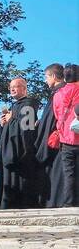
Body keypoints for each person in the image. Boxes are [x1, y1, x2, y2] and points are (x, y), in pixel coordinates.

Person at [0, 77, 43, 209]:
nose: (12, 89)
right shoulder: (14, 107)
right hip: (8, 155)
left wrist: (13, 119)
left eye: (16, 86)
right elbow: (12, 129)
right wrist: (3, 124)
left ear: (24, 88)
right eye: (11, 87)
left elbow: (27, 131)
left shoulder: (29, 105)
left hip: (21, 157)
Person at [35, 63, 67, 208]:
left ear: (54, 76)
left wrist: (39, 128)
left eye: (47, 77)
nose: (46, 80)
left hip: (57, 144)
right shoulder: (71, 91)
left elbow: (50, 121)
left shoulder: (58, 94)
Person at [47, 65, 79, 207]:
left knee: (69, 173)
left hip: (66, 138)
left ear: (65, 78)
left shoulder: (58, 94)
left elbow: (57, 114)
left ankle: (69, 203)